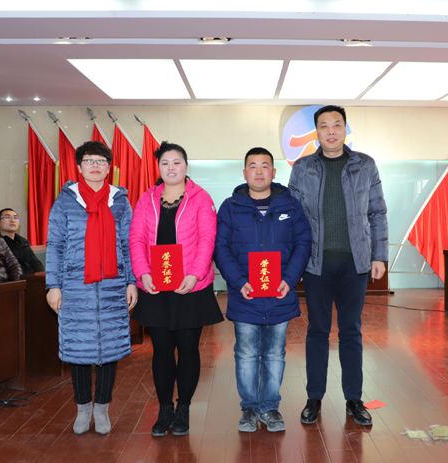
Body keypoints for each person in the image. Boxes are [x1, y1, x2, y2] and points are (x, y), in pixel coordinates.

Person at [288, 105, 388, 427]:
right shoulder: (303, 167)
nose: (331, 131)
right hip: (315, 265)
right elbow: (292, 217)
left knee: (351, 331)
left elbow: (377, 212)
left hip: (354, 265)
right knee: (317, 331)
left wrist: (379, 256)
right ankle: (314, 397)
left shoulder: (364, 165)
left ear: (345, 129)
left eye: (336, 125)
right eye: (324, 126)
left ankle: (354, 399)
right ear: (316, 132)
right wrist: (292, 262)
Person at [214, 147, 312, 433]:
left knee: (274, 354)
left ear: (274, 172)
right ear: (244, 172)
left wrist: (290, 279)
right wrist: (238, 281)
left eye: (265, 165)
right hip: (245, 294)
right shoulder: (230, 207)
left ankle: (269, 407)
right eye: (253, 166)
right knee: (246, 354)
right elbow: (220, 248)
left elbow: (303, 243)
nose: (259, 171)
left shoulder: (290, 206)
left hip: (280, 293)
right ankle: (249, 408)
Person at [130, 142, 223, 437]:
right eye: (165, 163)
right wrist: (143, 272)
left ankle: (183, 408)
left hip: (190, 286)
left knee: (187, 348)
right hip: (156, 286)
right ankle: (164, 409)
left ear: (186, 166)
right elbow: (136, 238)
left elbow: (208, 239)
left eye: (177, 162)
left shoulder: (200, 197)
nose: (171, 168)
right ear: (158, 167)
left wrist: (195, 274)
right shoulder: (146, 199)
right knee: (161, 350)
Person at [45, 140, 138, 435]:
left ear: (109, 167)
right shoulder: (65, 201)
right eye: (89, 161)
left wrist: (132, 281)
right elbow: (55, 245)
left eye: (100, 161)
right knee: (79, 349)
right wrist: (53, 286)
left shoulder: (120, 201)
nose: (95, 166)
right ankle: (83, 409)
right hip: (75, 286)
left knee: (110, 349)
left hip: (113, 284)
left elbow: (128, 244)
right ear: (79, 166)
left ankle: (103, 408)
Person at [0, 208, 44, 274]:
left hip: (29, 278)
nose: (12, 220)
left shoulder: (23, 242)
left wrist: (41, 277)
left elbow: (35, 263)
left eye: (15, 218)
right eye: (7, 217)